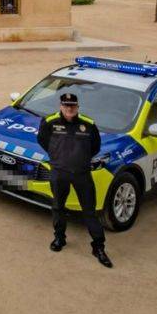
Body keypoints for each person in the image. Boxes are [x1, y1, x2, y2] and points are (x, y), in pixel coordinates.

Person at [37, 92, 113, 268]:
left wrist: (79, 159)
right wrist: (57, 156)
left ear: (78, 107)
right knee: (58, 207)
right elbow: (42, 140)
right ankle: (59, 238)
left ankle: (98, 248)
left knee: (89, 212)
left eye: (72, 106)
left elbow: (95, 147)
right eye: (66, 105)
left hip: (82, 174)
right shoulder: (49, 122)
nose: (69, 108)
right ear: (60, 106)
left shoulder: (88, 124)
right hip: (59, 173)